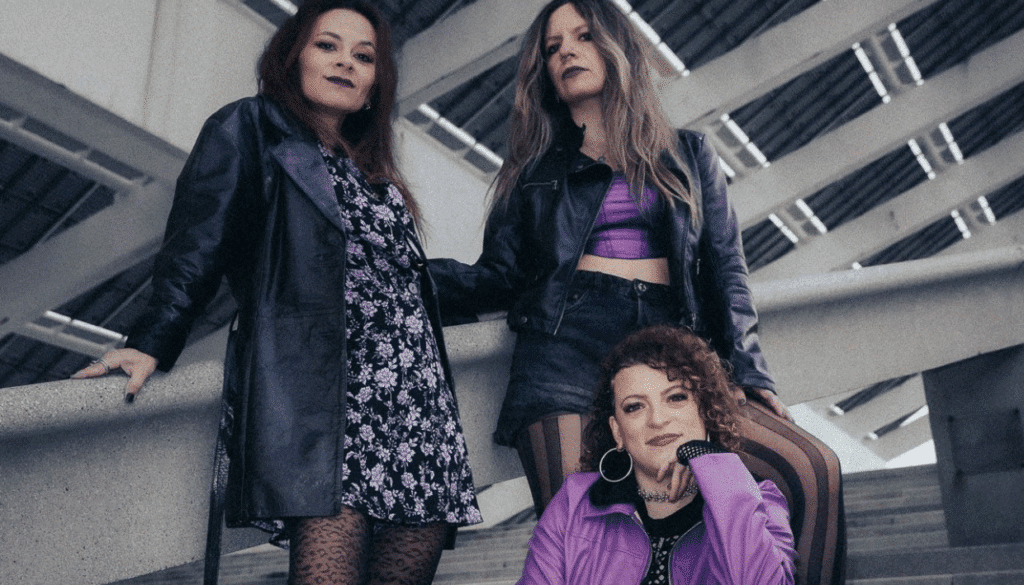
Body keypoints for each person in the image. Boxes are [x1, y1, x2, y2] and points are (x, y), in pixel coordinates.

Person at [430, 1, 846, 583]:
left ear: (616, 46)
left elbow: (725, 268)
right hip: (563, 350)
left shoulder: (690, 154)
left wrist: (749, 369)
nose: (567, 52)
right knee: (588, 535)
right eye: (552, 48)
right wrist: (401, 273)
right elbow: (497, 277)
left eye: (582, 36)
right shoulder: (533, 173)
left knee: (812, 467)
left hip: (671, 349)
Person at [72, 2, 481, 583]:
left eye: (364, 57)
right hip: (332, 405)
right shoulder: (249, 127)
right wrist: (153, 339)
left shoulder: (374, 174)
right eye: (327, 46)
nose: (346, 62)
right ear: (292, 59)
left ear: (375, 87)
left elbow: (403, 280)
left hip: (420, 409)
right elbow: (200, 238)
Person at [519, 325, 797, 584]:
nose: (658, 420)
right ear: (618, 431)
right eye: (635, 407)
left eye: (676, 398)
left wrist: (714, 469)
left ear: (705, 411)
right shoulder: (574, 502)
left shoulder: (760, 500)